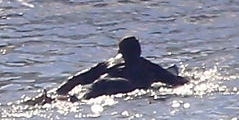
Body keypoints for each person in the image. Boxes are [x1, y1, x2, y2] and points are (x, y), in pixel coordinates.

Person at [50, 37, 188, 101]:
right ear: (139, 51)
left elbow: (77, 79)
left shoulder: (107, 64)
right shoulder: (149, 67)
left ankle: (52, 100)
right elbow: (176, 82)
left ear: (120, 51)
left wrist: (58, 92)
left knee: (81, 99)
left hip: (100, 83)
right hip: (124, 85)